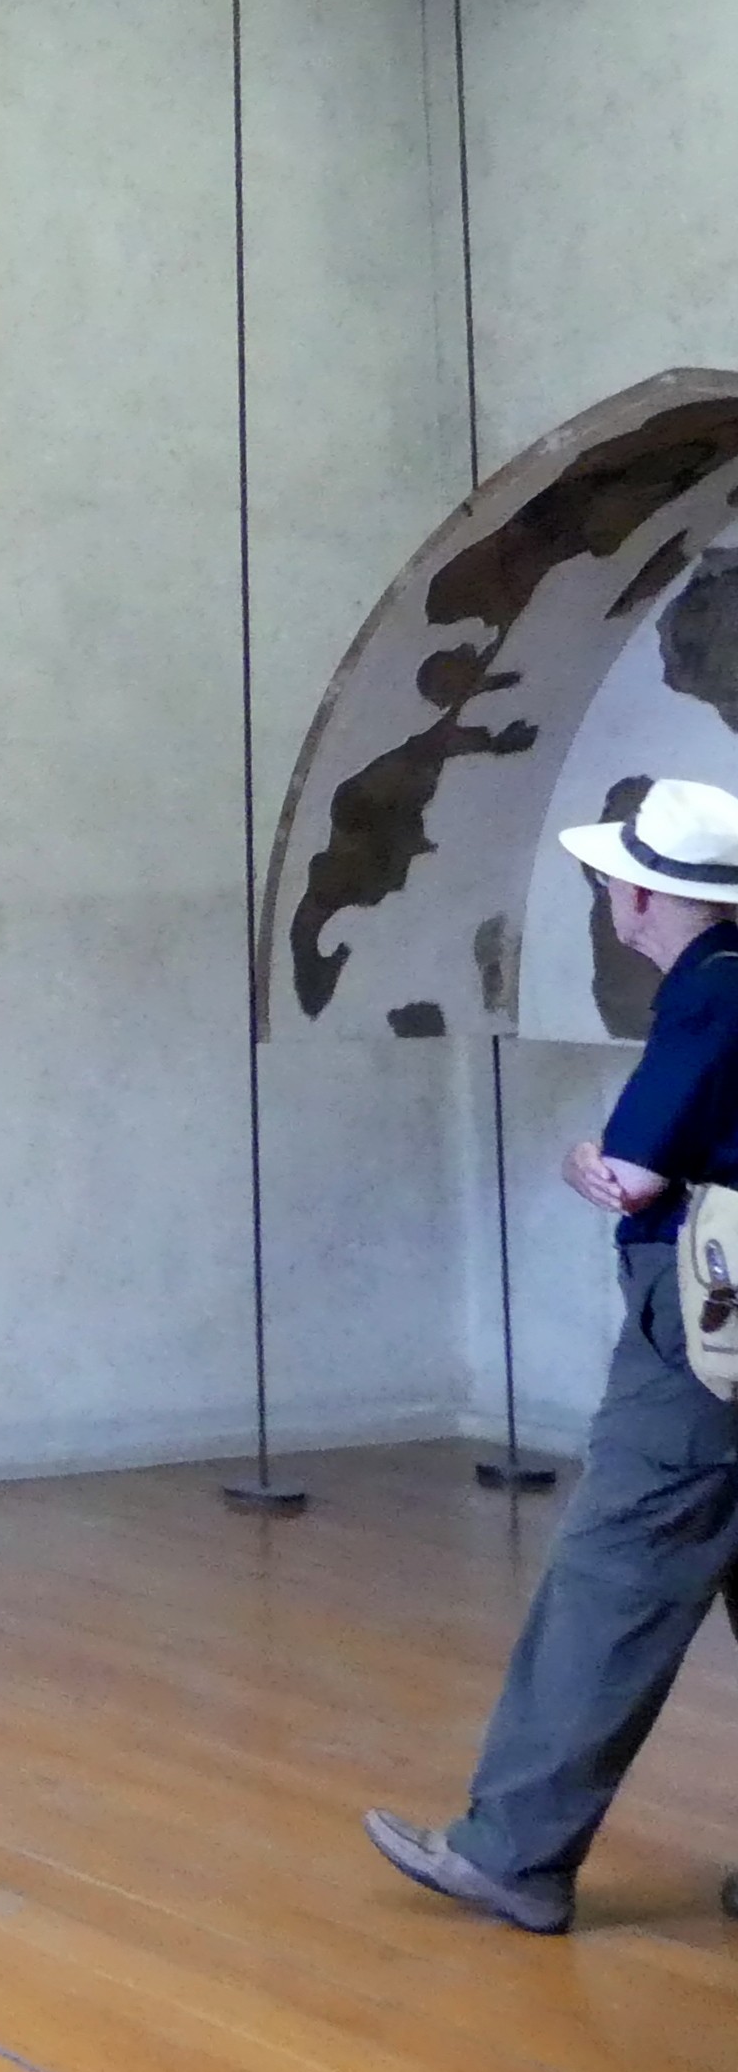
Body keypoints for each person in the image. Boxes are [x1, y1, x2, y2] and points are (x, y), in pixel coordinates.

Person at [369, 774, 738, 1933]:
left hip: (710, 1326)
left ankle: (514, 1850)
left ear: (639, 898)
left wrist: (587, 1162)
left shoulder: (709, 990)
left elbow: (630, 1173)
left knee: (618, 1564)